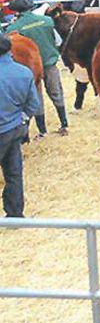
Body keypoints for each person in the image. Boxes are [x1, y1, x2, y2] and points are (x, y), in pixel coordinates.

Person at [7, 0, 68, 137]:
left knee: (36, 96)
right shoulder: (47, 21)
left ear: (16, 12)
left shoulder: (14, 29)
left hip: (30, 67)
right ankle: (64, 124)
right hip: (49, 62)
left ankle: (42, 131)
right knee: (56, 92)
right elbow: (58, 41)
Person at [0, 33, 39, 217]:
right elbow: (33, 104)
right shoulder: (24, 72)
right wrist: (22, 118)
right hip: (15, 128)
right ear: (9, 49)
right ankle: (15, 214)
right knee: (13, 172)